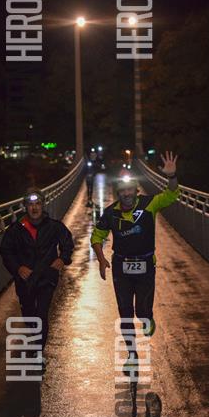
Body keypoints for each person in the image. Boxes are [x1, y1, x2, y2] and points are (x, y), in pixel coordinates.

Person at [90, 151, 179, 371]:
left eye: (130, 189)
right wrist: (101, 259)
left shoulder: (149, 204)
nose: (126, 194)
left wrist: (171, 176)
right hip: (121, 267)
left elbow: (171, 195)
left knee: (141, 310)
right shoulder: (110, 213)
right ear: (118, 192)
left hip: (146, 265)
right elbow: (97, 236)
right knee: (125, 312)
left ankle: (148, 317)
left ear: (136, 190)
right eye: (122, 191)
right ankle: (132, 354)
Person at [0, 187, 74, 367]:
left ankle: (39, 352)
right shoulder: (16, 229)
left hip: (47, 277)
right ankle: (35, 336)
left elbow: (67, 243)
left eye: (38, 203)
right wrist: (18, 268)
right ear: (25, 206)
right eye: (30, 204)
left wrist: (62, 259)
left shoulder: (54, 226)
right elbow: (5, 251)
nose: (34, 208)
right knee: (29, 314)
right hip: (25, 280)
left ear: (43, 205)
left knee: (41, 314)